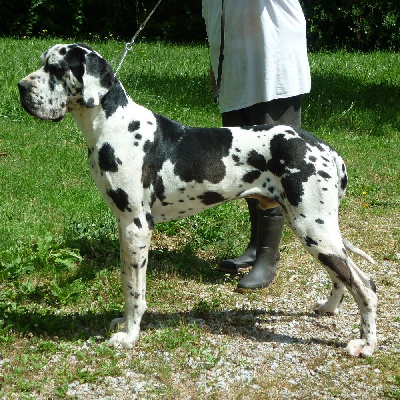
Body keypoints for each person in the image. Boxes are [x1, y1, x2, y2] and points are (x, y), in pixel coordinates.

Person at [202, 0, 311, 291]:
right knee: (245, 163)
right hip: (235, 70)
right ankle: (255, 245)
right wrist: (216, 63)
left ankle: (268, 255)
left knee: (272, 162)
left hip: (271, 64)